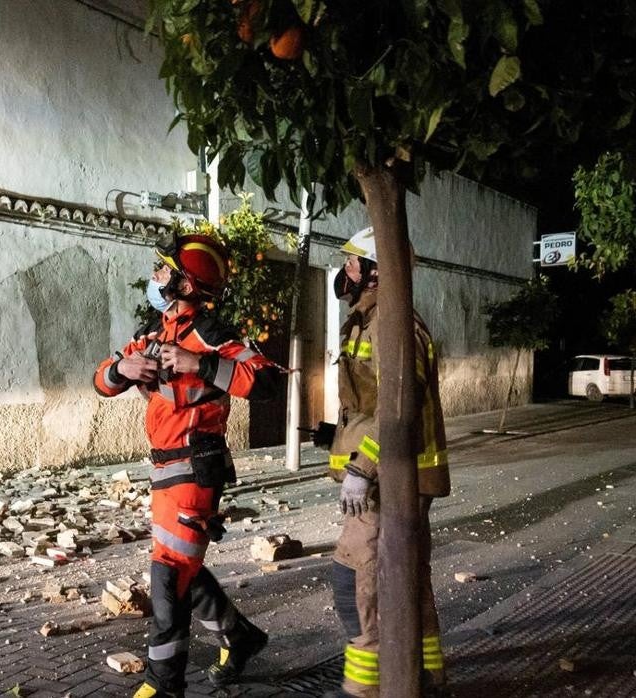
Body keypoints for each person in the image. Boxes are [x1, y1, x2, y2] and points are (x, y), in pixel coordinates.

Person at [93, 231, 284, 698]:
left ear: (185, 284)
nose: (155, 277)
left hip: (196, 469)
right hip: (163, 469)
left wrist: (200, 365)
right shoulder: (152, 335)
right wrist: (121, 372)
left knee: (168, 574)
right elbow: (101, 378)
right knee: (183, 569)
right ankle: (240, 638)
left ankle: (164, 685)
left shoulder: (212, 335)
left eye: (164, 271)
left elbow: (266, 381)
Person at [309, 227, 451, 698]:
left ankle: (365, 689)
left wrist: (360, 470)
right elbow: (374, 404)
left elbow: (399, 408)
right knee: (408, 579)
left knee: (357, 580)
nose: (344, 271)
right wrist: (337, 437)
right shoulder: (373, 321)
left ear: (375, 272)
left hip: (390, 479)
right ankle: (426, 680)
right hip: (392, 474)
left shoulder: (392, 325)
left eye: (352, 262)